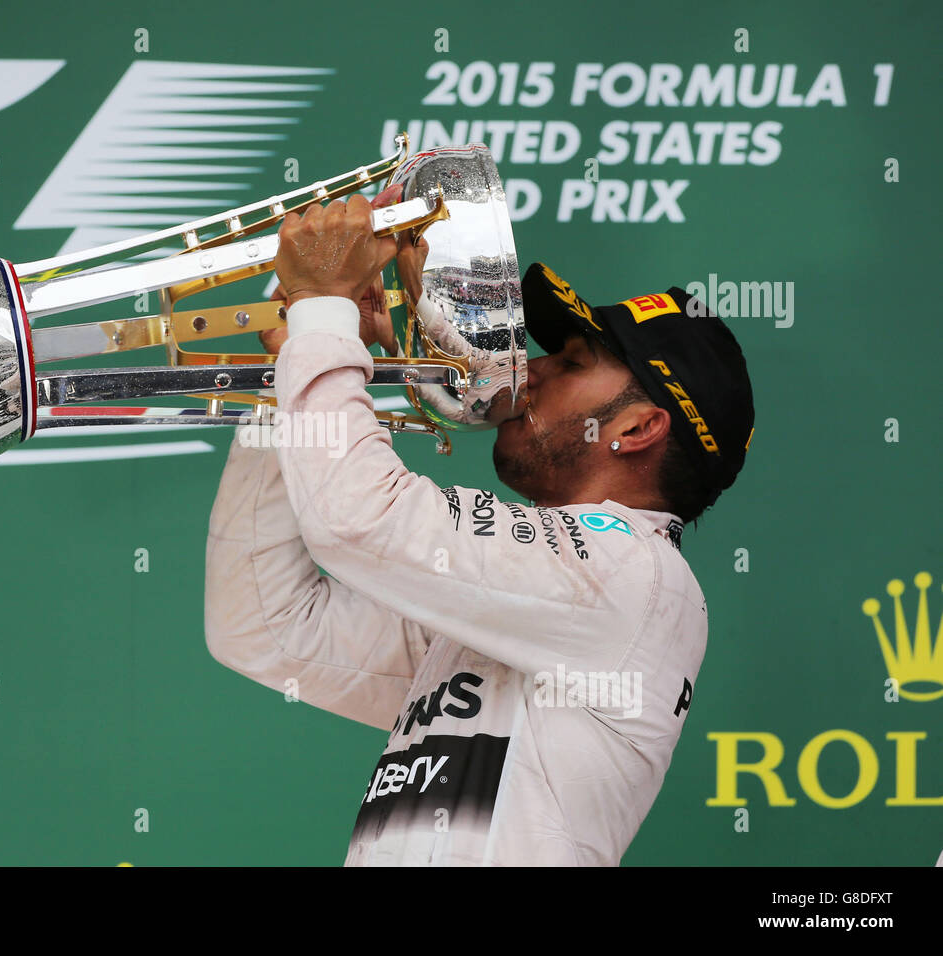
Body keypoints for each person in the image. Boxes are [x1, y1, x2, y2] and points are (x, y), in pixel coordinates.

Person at [204, 194, 755, 865]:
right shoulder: (542, 601)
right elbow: (269, 628)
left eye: (572, 363)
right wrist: (293, 372)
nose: (530, 370)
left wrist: (326, 319)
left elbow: (355, 519)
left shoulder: (635, 574)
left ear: (637, 429)